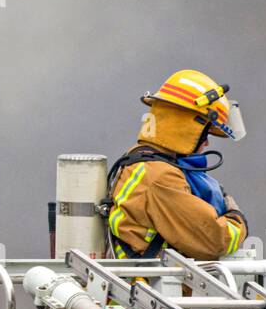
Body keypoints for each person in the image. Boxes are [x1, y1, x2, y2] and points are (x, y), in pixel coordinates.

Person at [103, 69, 248, 261]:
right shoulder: (160, 176)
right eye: (205, 134)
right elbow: (216, 240)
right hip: (159, 285)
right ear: (186, 127)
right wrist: (235, 217)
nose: (206, 143)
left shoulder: (139, 159)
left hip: (148, 282)